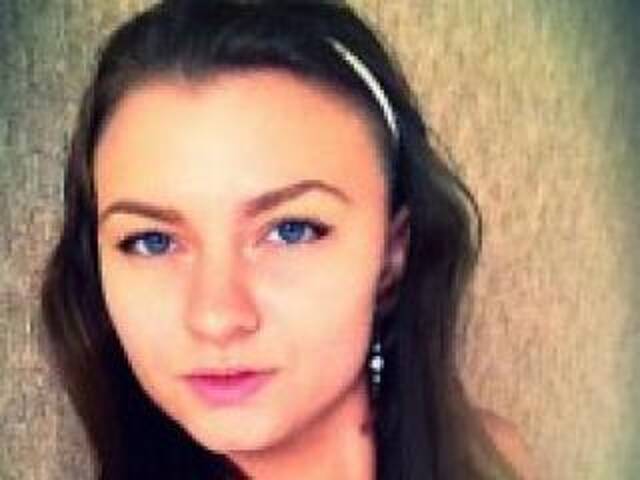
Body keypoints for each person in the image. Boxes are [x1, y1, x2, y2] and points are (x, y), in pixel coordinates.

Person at [39, 0, 532, 478]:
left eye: (290, 231)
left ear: (391, 253)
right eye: (152, 241)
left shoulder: (489, 458)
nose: (216, 318)